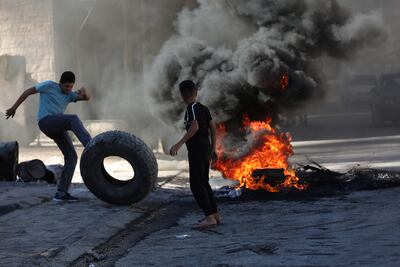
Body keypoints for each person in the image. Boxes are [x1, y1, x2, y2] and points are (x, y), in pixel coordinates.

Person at [5, 71, 91, 202]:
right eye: (66, 86)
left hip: (57, 126)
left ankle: (61, 193)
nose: (68, 89)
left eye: (71, 87)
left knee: (72, 156)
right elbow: (27, 92)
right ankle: (91, 146)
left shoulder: (70, 95)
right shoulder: (49, 86)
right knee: (73, 119)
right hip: (46, 122)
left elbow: (86, 98)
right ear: (60, 83)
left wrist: (84, 92)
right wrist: (14, 107)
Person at [169, 80, 221, 229]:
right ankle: (215, 215)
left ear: (182, 95)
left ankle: (209, 217)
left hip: (198, 149)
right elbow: (213, 127)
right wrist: (213, 148)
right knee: (204, 182)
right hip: (204, 147)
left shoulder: (191, 108)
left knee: (196, 185)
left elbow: (195, 127)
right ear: (195, 92)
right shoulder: (204, 108)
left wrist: (178, 144)